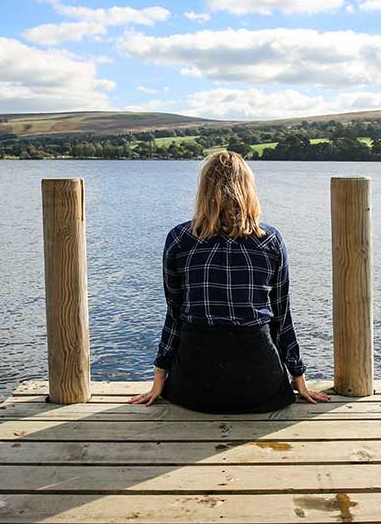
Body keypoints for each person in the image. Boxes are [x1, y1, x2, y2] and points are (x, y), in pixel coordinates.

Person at [128, 150, 330, 412]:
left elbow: (175, 314)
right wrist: (298, 377)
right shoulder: (270, 240)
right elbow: (282, 317)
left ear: (204, 190)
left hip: (195, 388)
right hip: (260, 386)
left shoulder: (179, 239)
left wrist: (159, 379)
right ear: (248, 189)